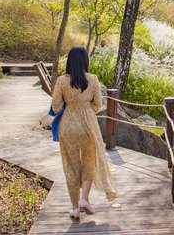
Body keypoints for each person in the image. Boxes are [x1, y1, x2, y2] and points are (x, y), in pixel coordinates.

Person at [51, 46, 118, 220]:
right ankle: (84, 199)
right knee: (89, 162)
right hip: (88, 125)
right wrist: (86, 109)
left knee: (70, 166)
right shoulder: (93, 80)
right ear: (85, 61)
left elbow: (55, 106)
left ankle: (74, 208)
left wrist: (69, 104)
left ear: (69, 61)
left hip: (68, 126)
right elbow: (97, 105)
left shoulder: (61, 81)